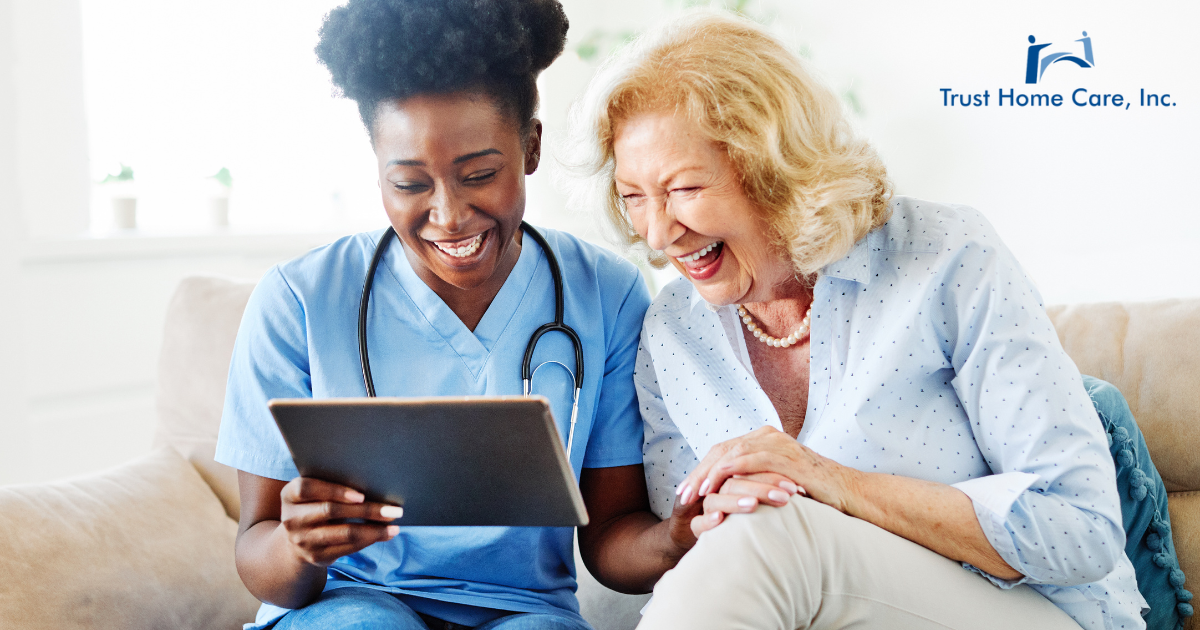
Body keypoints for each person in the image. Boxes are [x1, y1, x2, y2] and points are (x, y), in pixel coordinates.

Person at [565, 10, 1148, 630]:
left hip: (1032, 611)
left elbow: (1080, 531)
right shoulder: (673, 331)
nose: (658, 234)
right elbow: (709, 566)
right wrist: (691, 526)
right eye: (634, 197)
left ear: (774, 170)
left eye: (683, 190)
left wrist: (827, 482)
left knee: (775, 532)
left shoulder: (946, 255)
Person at [213, 1, 691, 628]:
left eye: (480, 174)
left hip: (523, 611)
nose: (448, 215)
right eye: (410, 183)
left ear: (531, 146)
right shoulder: (298, 300)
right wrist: (298, 544)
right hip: (351, 602)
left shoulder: (606, 293)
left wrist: (681, 537)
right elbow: (257, 551)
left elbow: (609, 542)